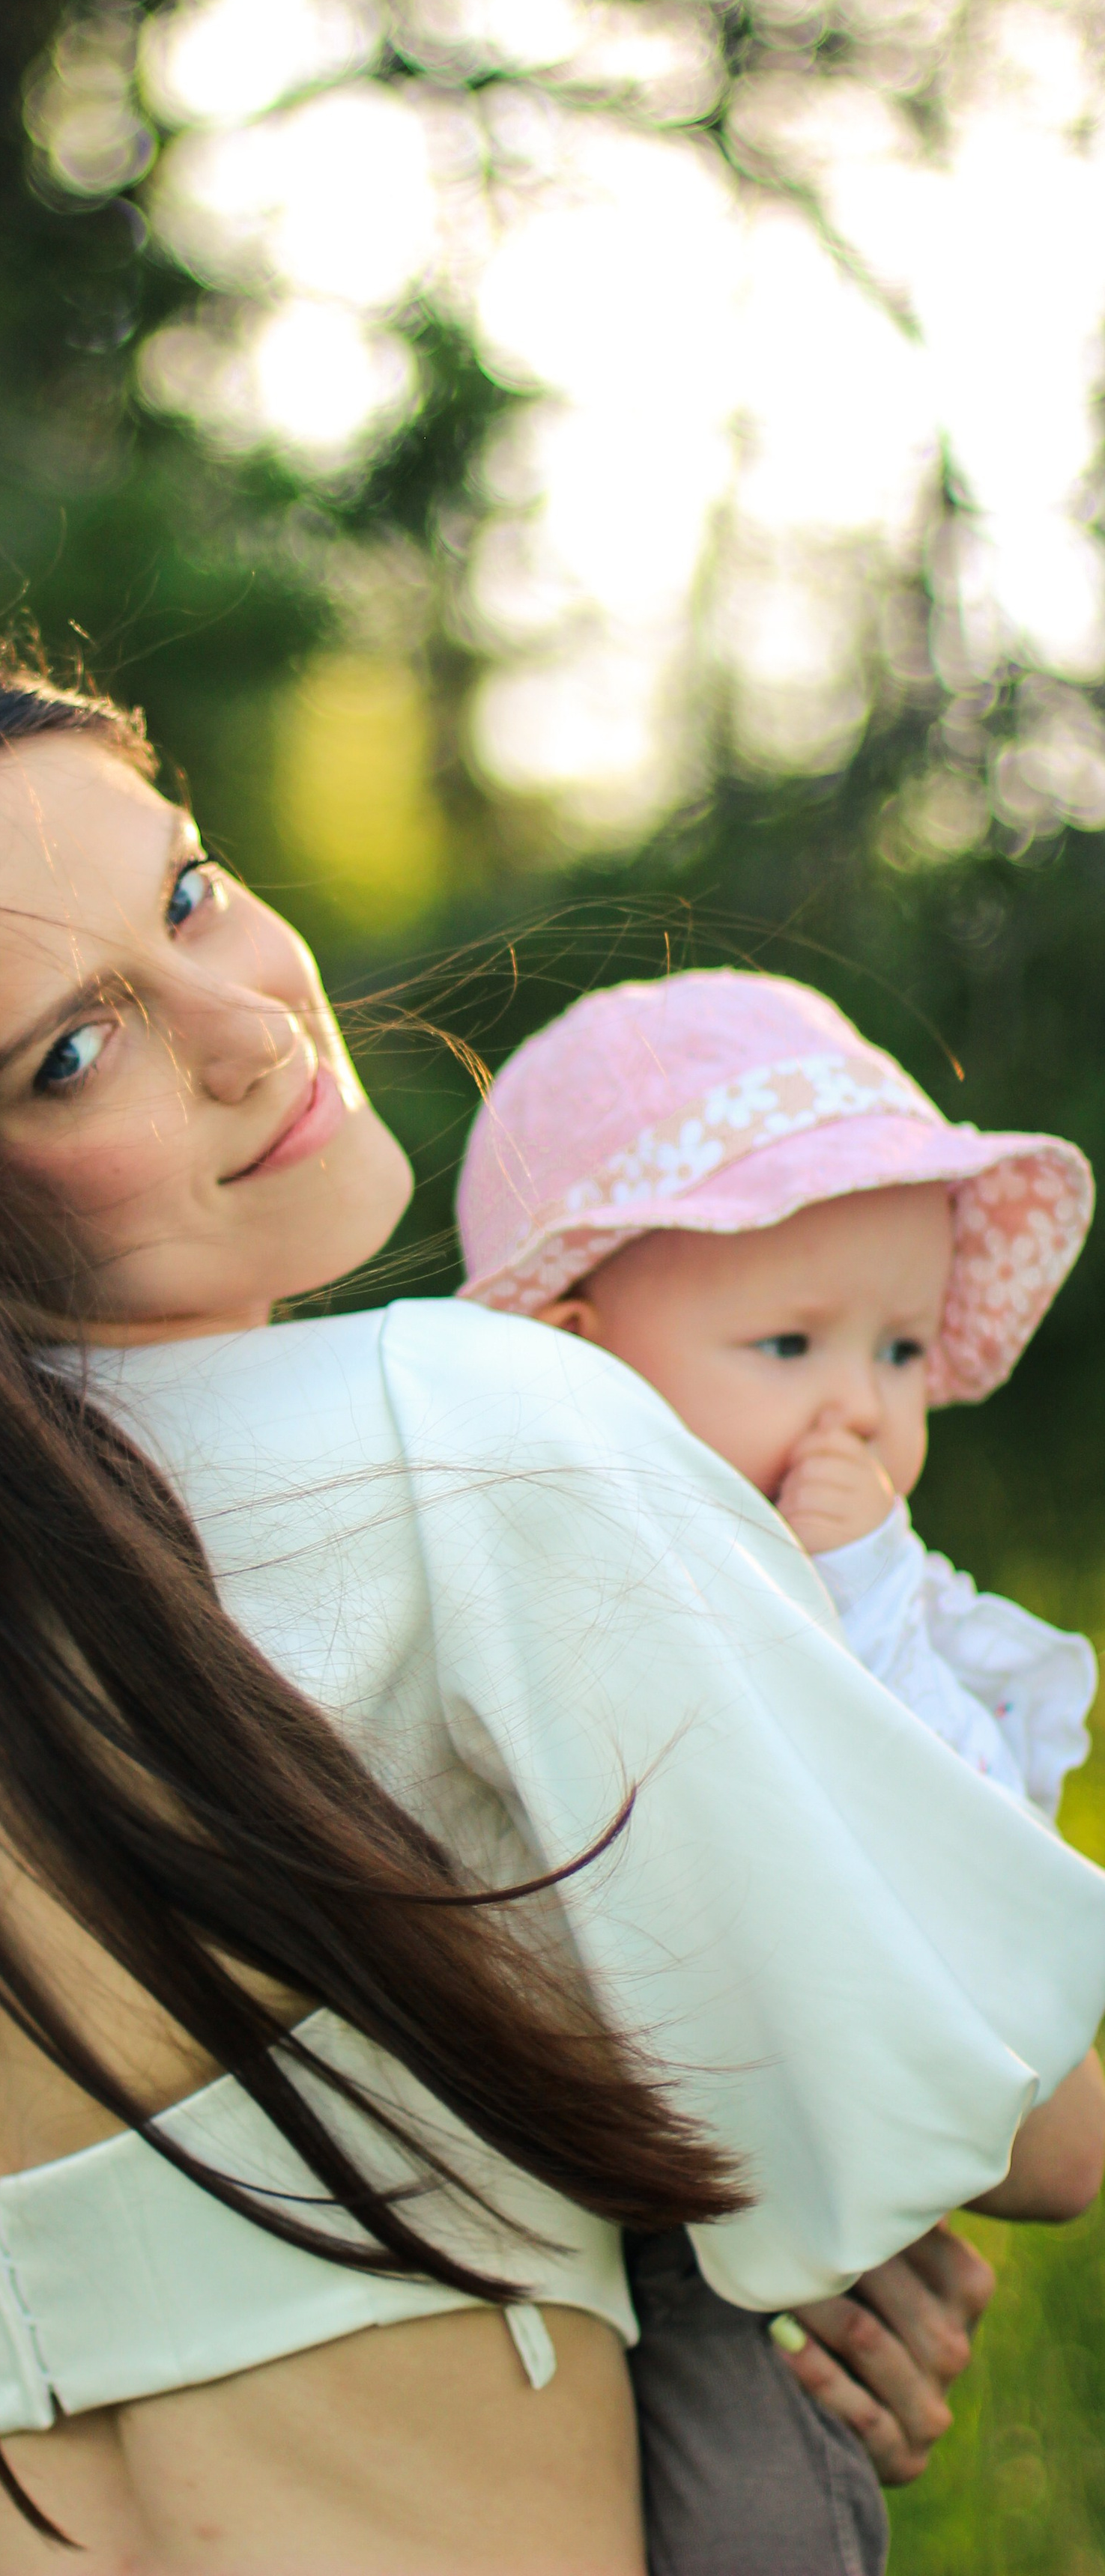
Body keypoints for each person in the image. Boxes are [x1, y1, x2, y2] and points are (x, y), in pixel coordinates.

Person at [0, 654, 1105, 2576]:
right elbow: (1042, 2110)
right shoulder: (454, 1450)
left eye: (183, 892)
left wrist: (774, 2237)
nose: (248, 1025)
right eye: (70, 1051)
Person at [455, 963, 1103, 2567]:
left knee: (750, 2516)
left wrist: (864, 1607)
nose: (862, 1415)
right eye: (787, 1340)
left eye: (895, 1352)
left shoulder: (861, 1617)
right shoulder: (528, 1573)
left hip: (743, 2239)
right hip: (523, 2218)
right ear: (576, 1357)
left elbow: (963, 1870)